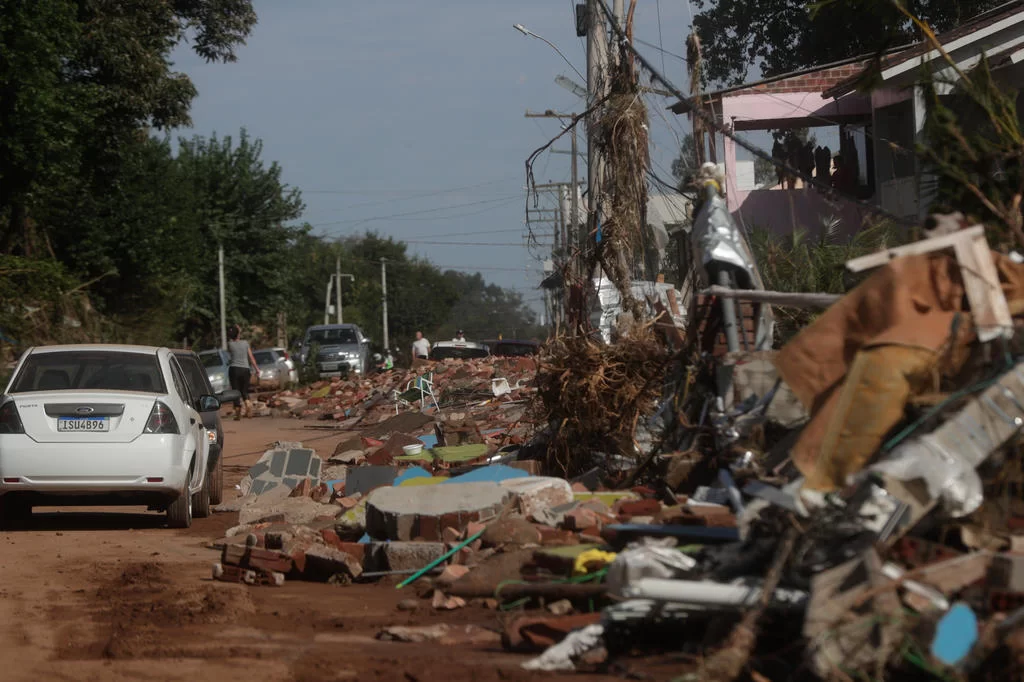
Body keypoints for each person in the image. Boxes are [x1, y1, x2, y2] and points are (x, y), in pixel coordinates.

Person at [227, 325, 259, 420]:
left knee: (235, 391)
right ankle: (248, 405)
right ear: (239, 334)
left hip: (234, 369)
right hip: (245, 369)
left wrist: (237, 331)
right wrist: (257, 369)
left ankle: (238, 414)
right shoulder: (245, 343)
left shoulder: (230, 344)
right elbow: (251, 357)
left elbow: (231, 352)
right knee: (244, 390)